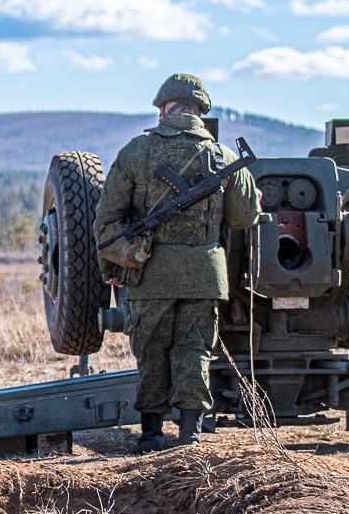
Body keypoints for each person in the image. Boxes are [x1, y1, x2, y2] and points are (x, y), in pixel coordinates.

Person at [94, 74, 261, 453]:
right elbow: (244, 216)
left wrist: (115, 269)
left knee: (151, 353)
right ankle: (191, 438)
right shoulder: (225, 158)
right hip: (204, 276)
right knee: (195, 352)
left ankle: (151, 436)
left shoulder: (136, 152)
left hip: (150, 275)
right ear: (201, 111)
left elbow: (106, 222)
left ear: (164, 108)